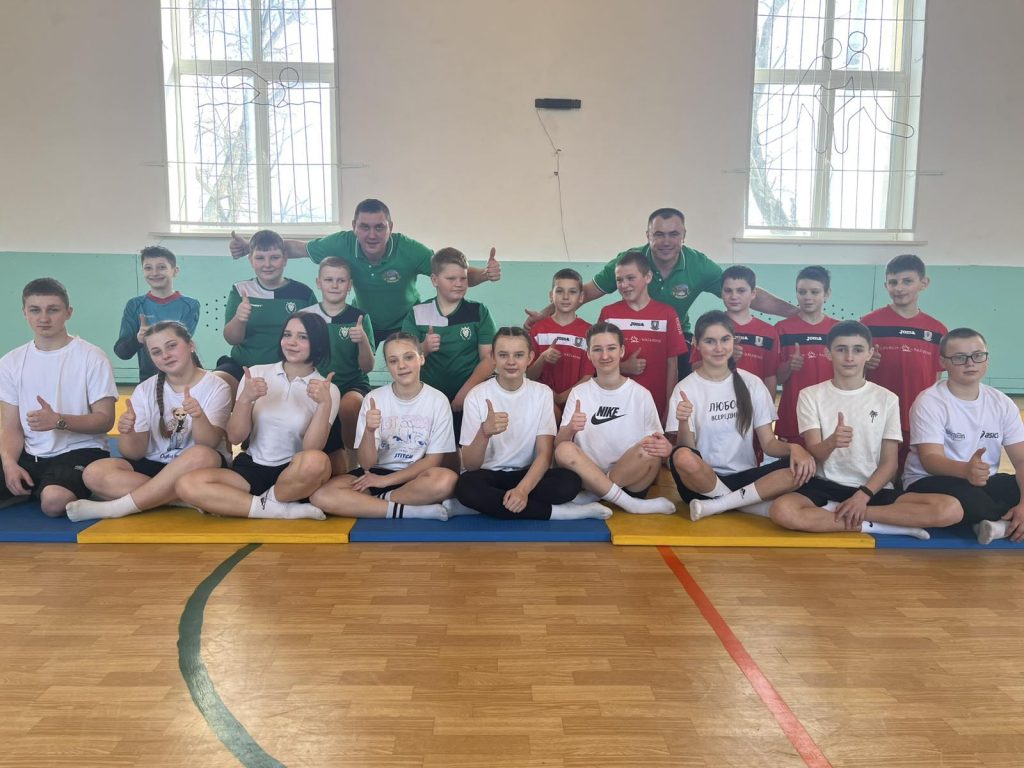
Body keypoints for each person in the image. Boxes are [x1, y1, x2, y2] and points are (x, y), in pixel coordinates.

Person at [525, 208, 795, 376]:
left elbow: (744, 290)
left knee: (686, 376)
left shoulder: (700, 265)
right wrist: (546, 315)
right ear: (648, 235)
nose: (666, 241)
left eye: (673, 234)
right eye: (659, 234)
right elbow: (585, 292)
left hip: (677, 334)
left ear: (684, 235)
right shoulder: (628, 262)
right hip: (632, 334)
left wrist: (795, 312)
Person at [769, 321, 962, 538]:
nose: (849, 357)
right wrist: (831, 442)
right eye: (841, 349)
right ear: (828, 353)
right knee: (782, 511)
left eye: (858, 350)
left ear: (870, 353)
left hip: (872, 488)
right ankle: (882, 525)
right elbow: (814, 454)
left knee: (950, 509)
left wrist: (862, 497)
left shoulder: (887, 398)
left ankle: (844, 513)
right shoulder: (810, 395)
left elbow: (890, 463)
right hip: (825, 485)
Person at [229, 199, 502, 342]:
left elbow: (451, 274)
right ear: (354, 227)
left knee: (411, 368)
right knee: (353, 367)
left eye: (379, 227)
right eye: (365, 227)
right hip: (364, 320)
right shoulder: (341, 243)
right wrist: (252, 246)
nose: (372, 234)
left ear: (390, 227)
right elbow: (296, 248)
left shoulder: (410, 250)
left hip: (404, 322)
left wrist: (484, 275)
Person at [177, 314, 340, 519]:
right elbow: (235, 437)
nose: (291, 342)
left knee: (317, 461)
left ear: (317, 342)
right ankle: (277, 509)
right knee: (187, 485)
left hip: (292, 474)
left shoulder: (328, 389)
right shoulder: (256, 373)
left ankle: (256, 503)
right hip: (251, 468)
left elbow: (311, 448)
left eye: (302, 337)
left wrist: (324, 404)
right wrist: (245, 399)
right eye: (287, 335)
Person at [66, 322, 232, 521]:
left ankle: (118, 507)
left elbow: (208, 444)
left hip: (197, 469)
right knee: (94, 473)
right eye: (156, 352)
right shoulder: (145, 389)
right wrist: (127, 432)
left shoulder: (217, 386)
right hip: (156, 466)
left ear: (190, 345)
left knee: (201, 454)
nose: (165, 355)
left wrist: (198, 416)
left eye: (172, 346)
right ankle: (181, 498)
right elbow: (133, 453)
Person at [665, 311, 815, 521]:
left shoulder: (752, 383)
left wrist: (794, 448)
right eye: (710, 341)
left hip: (746, 479)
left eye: (725, 340)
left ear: (733, 341)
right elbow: (688, 451)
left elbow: (769, 444)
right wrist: (683, 421)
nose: (719, 348)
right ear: (696, 344)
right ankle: (745, 504)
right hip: (701, 483)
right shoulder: (685, 388)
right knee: (681, 456)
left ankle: (722, 503)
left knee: (803, 466)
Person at [455, 327, 610, 521]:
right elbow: (470, 465)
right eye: (503, 355)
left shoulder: (542, 393)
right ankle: (559, 513)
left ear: (530, 358)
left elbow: (544, 455)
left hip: (528, 474)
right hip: (488, 475)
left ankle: (487, 507)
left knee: (569, 482)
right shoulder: (476, 396)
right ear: (493, 358)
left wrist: (522, 490)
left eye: (518, 355)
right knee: (466, 488)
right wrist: (484, 432)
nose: (511, 362)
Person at [0, 278, 118, 516]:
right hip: (29, 454)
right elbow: (10, 426)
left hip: (81, 450)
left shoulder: (92, 357)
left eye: (52, 310)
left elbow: (105, 420)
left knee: (54, 502)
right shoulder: (11, 361)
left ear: (68, 312)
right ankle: (28, 488)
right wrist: (9, 464)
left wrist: (59, 421)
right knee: (16, 473)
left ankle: (38, 490)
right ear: (24, 313)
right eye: (35, 310)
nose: (44, 318)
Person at [309, 333, 458, 520]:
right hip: (374, 474)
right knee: (321, 495)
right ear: (388, 366)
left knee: (446, 480)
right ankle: (409, 510)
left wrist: (385, 482)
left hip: (417, 476)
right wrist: (369, 431)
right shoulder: (374, 398)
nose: (401, 365)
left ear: (421, 358)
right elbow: (366, 464)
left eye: (408, 357)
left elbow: (432, 461)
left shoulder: (438, 400)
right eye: (393, 361)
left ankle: (376, 503)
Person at [902, 328, 1024, 544]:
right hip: (930, 480)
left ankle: (992, 524)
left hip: (981, 481)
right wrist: (965, 470)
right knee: (970, 500)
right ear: (943, 362)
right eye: (959, 358)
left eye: (977, 356)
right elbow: (930, 460)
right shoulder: (930, 401)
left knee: (1002, 491)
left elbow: (1021, 459)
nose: (970, 363)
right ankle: (1001, 524)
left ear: (987, 359)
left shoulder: (1002, 403)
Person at [553, 322, 677, 515]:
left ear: (622, 351)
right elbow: (558, 445)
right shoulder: (579, 393)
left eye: (611, 348)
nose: (605, 356)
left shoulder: (641, 394)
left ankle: (597, 495)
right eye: (597, 349)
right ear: (589, 354)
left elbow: (656, 444)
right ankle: (631, 505)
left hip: (632, 480)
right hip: (587, 479)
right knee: (564, 449)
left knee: (650, 449)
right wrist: (570, 429)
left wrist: (666, 448)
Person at [401, 247, 497, 448]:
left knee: (470, 453)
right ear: (435, 280)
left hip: (470, 397)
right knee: (433, 452)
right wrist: (423, 348)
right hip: (428, 401)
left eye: (463, 278)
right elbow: (404, 360)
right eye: (451, 279)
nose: (459, 284)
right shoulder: (417, 313)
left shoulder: (478, 311)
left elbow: (489, 359)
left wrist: (465, 394)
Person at [861, 254, 947, 468]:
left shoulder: (937, 330)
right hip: (876, 414)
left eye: (907, 281)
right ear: (886, 285)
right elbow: (851, 369)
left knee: (913, 473)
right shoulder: (868, 324)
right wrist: (864, 364)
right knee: (878, 471)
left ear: (924, 283)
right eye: (893, 282)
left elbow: (937, 378)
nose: (899, 288)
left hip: (918, 415)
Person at [215, 229, 317, 394]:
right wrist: (240, 319)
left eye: (274, 257)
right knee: (215, 383)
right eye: (260, 258)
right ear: (250, 260)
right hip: (242, 367)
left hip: (287, 371)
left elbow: (315, 339)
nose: (267, 264)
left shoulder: (303, 294)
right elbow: (231, 339)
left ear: (285, 259)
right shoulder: (241, 290)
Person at [299, 257, 375, 473]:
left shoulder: (359, 317)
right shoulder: (305, 317)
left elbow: (367, 367)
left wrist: (362, 341)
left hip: (351, 384)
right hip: (315, 385)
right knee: (330, 467)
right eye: (329, 280)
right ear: (318, 283)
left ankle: (354, 460)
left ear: (349, 285)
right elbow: (296, 357)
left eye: (341, 280)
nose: (334, 285)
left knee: (350, 405)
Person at [597, 250, 687, 419]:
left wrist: (670, 407)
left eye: (631, 278)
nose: (624, 285)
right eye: (619, 280)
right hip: (616, 408)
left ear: (648, 277)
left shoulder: (667, 314)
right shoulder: (608, 314)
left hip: (656, 407)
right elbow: (595, 361)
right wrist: (623, 367)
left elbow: (673, 366)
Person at [114, 246, 201, 382]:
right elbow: (122, 352)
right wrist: (138, 339)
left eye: (161, 267)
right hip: (149, 380)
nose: (154, 273)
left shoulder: (190, 305)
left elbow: (181, 346)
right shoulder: (134, 305)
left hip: (183, 379)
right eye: (148, 268)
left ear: (175, 271)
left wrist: (153, 336)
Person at [774, 266, 839, 445]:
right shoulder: (782, 329)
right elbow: (777, 378)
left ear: (827, 294)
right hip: (793, 415)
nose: (807, 297)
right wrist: (789, 365)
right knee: (793, 462)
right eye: (802, 292)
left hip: (830, 416)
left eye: (814, 292)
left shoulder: (838, 330)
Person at [691, 266, 779, 394]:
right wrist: (723, 358)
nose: (734, 296)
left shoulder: (768, 332)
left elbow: (770, 377)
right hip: (715, 401)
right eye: (728, 290)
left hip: (754, 402)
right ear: (721, 293)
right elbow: (694, 368)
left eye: (741, 290)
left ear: (753, 293)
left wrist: (768, 405)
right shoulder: (708, 326)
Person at [526, 268, 594, 419]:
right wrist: (543, 358)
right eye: (560, 291)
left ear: (581, 297)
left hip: (577, 407)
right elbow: (529, 376)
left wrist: (560, 398)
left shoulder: (589, 332)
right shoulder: (538, 330)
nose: (565, 297)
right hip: (543, 407)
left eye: (572, 292)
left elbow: (588, 378)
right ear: (551, 295)